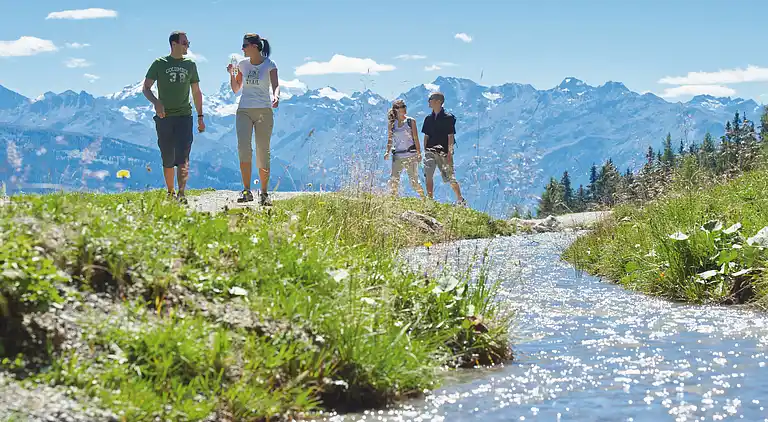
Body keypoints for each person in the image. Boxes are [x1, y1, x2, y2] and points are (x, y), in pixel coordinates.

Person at [142, 30, 205, 204]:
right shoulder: (159, 63)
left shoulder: (190, 65)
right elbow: (146, 87)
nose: (187, 46)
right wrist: (156, 102)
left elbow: (196, 91)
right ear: (174, 44)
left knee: (183, 156)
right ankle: (170, 192)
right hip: (165, 116)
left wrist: (200, 116)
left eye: (188, 43)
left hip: (185, 116)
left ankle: (182, 193)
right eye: (184, 43)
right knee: (168, 156)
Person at [227, 33, 280, 206]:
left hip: (264, 110)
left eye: (244, 45)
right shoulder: (242, 65)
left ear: (254, 46)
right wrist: (231, 74)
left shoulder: (269, 65)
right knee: (244, 148)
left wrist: (276, 97)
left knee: (262, 150)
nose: (242, 49)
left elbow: (276, 85)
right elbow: (236, 88)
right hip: (244, 110)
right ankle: (247, 190)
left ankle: (264, 193)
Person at [421, 91, 466, 206]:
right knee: (428, 175)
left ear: (438, 101)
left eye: (430, 99)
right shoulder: (428, 119)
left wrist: (450, 153)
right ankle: (430, 199)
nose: (429, 101)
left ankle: (460, 199)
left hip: (444, 153)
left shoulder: (448, 118)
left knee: (450, 177)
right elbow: (426, 136)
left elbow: (450, 137)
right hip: (430, 152)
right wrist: (425, 150)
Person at [384, 99, 425, 198]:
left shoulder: (411, 121)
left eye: (404, 106)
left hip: (411, 155)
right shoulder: (392, 124)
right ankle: (393, 200)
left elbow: (416, 138)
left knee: (414, 182)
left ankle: (424, 198)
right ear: (396, 109)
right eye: (402, 106)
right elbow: (390, 140)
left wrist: (419, 153)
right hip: (397, 156)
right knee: (394, 180)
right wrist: (387, 152)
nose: (405, 108)